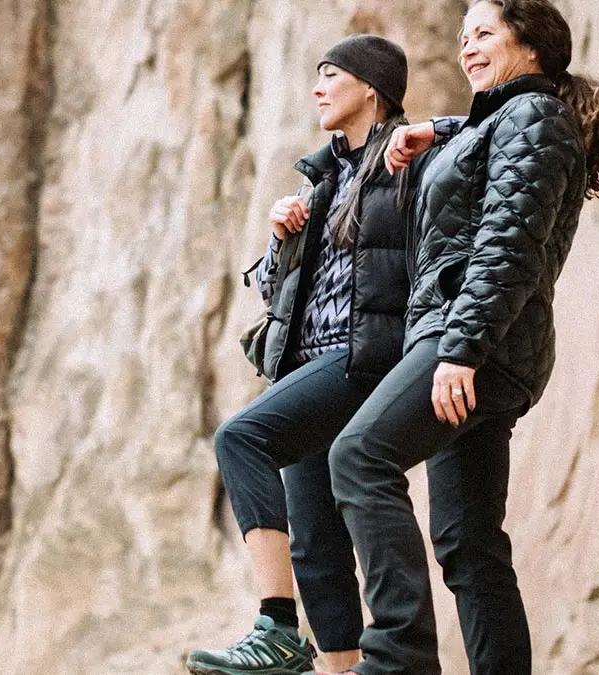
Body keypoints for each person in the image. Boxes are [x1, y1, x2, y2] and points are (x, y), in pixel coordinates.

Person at [316, 2, 599, 674]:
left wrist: (460, 349)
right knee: (469, 540)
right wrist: (438, 129)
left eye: (484, 34)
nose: (468, 49)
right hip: (486, 344)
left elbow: (508, 244)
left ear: (533, 46)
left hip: (471, 341)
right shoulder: (515, 118)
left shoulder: (534, 118)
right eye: (463, 38)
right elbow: (495, 139)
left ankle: (398, 656)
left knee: (359, 457)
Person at [185, 35, 443, 675]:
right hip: (309, 362)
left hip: (363, 357)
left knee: (241, 438)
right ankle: (335, 666)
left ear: (372, 90)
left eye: (333, 75)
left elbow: (483, 140)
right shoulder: (322, 179)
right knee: (317, 544)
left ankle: (275, 623)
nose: (318, 88)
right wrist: (280, 242)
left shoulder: (410, 163)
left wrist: (432, 130)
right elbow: (284, 294)